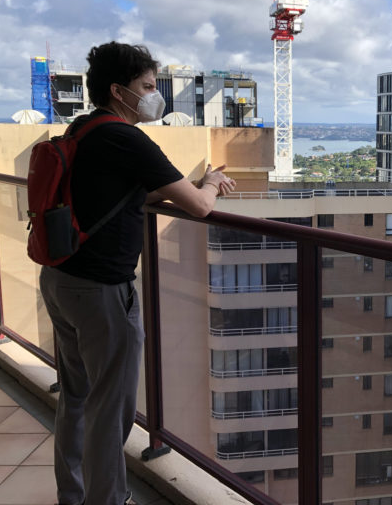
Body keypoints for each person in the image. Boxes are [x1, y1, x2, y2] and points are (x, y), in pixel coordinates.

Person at [39, 41, 236, 505]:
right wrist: (210, 181)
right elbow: (200, 206)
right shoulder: (126, 138)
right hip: (102, 292)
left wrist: (156, 196)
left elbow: (113, 196)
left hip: (61, 278)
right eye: (147, 86)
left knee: (76, 397)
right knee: (110, 410)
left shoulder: (83, 129)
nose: (155, 95)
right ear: (118, 91)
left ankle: (73, 495)